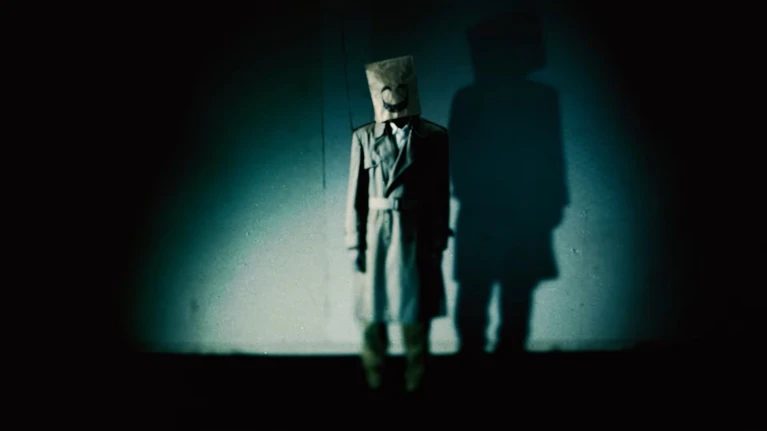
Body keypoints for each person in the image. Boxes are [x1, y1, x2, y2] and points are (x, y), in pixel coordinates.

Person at [345, 55, 451, 394]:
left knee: (414, 314)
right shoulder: (364, 137)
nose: (394, 97)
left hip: (414, 234)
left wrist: (437, 241)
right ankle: (374, 381)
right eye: (387, 91)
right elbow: (355, 196)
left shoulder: (433, 137)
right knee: (372, 314)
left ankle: (416, 384)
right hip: (376, 235)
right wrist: (354, 242)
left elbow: (440, 195)